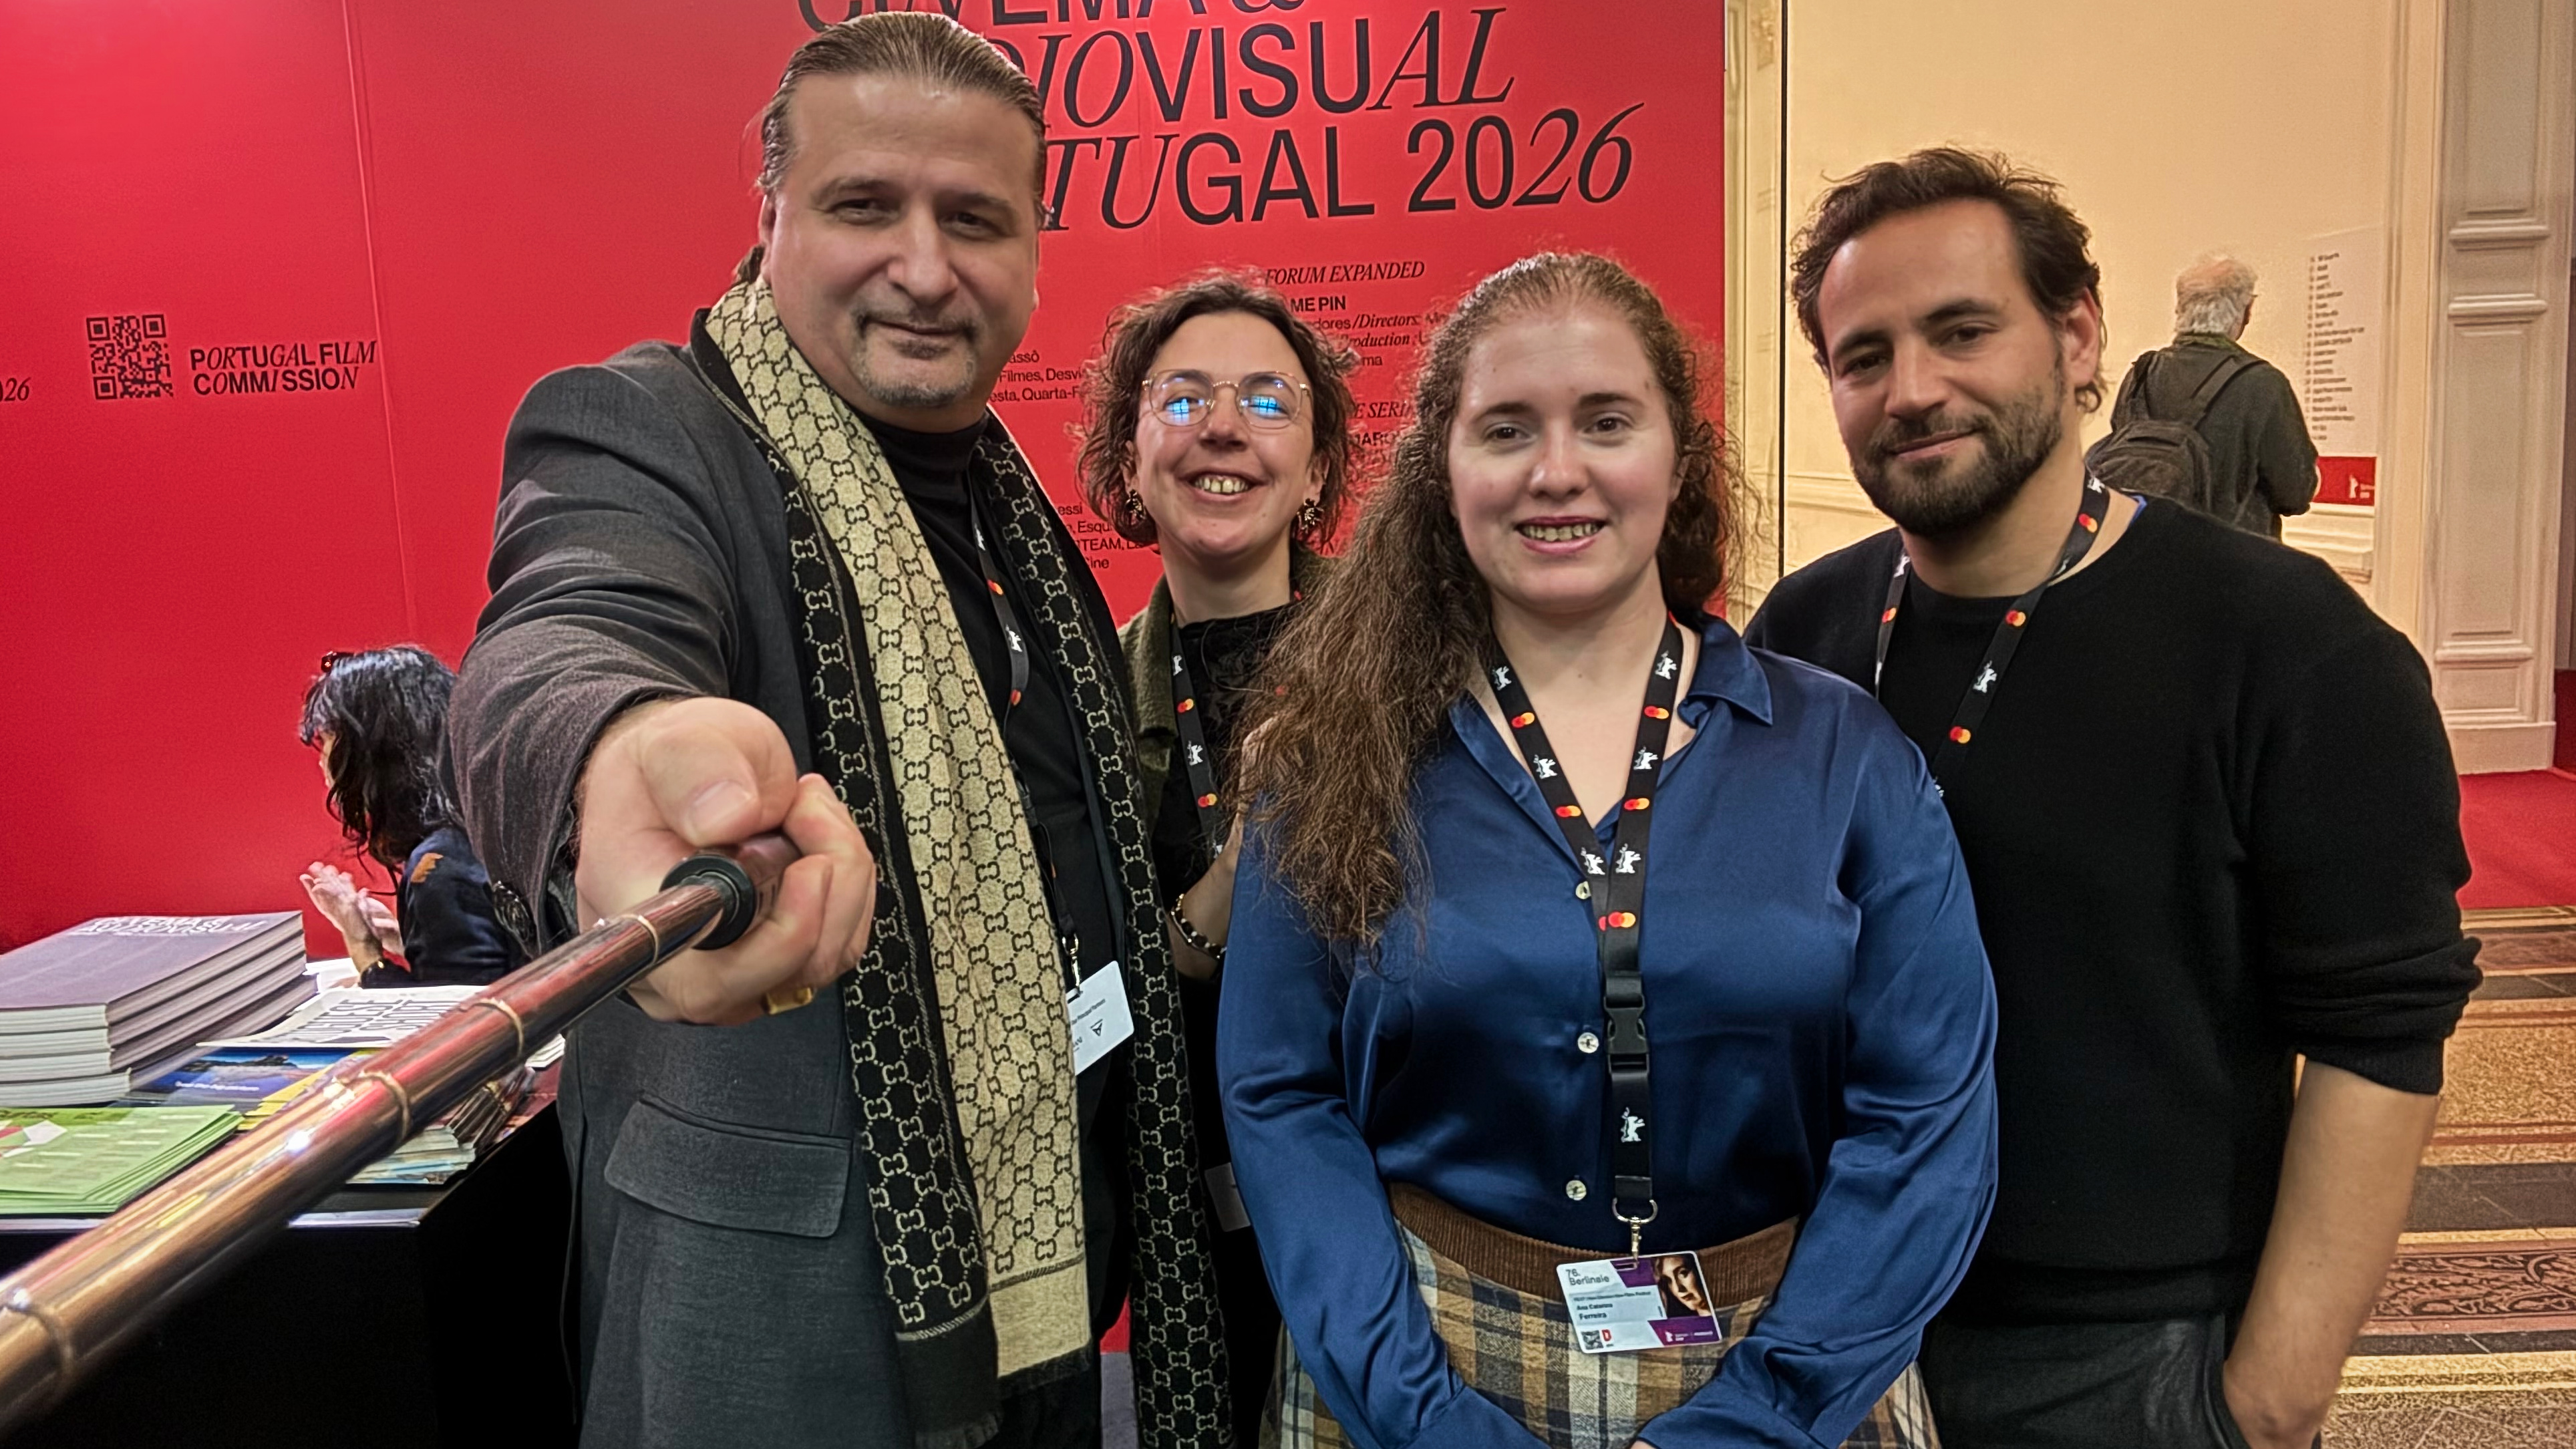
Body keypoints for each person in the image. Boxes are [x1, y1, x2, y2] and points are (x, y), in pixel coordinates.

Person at [446, 15, 1226, 1449]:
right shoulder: (643, 430)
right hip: (784, 1334)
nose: (923, 268)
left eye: (974, 220)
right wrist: (622, 756)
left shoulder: (1006, 509)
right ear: (772, 219)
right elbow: (564, 634)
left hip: (1053, 1278)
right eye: (865, 205)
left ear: (1034, 254)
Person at [1746, 148, 2480, 1449]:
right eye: (1863, 355)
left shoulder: (2287, 645)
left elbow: (2380, 1031)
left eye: (1961, 330)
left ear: (2077, 335)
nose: (1910, 388)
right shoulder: (1804, 631)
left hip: (2126, 1355)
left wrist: (2264, 1399)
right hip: (1830, 1313)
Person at [1222, 252, 1997, 1449]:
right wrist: (1429, 1421)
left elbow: (1927, 1113)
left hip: (1791, 1369)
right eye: (1506, 430)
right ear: (1443, 469)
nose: (1556, 470)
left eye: (1605, 421)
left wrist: (1757, 1420)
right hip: (1417, 1370)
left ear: (1677, 456)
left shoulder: (1841, 755)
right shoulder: (1336, 755)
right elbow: (1283, 1096)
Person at [1075, 273, 1357, 1446]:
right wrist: (1235, 881)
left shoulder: (1413, 671)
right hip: (1191, 1230)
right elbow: (1083, 997)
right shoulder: (1080, 705)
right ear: (1131, 461)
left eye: (1267, 400)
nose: (1224, 428)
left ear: (1319, 468)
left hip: (1396, 1210)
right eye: (1183, 401)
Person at [297, 646, 521, 987]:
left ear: (368, 752)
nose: (321, 757)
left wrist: (364, 949)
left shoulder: (439, 867)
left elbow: (460, 1011)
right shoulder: (483, 822)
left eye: (328, 738)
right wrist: (414, 939)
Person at [2104, 254, 2318, 536]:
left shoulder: (2142, 375)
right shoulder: (2263, 384)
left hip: (2149, 553)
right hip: (2232, 557)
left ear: (2180, 308)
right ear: (2246, 312)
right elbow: (2295, 493)